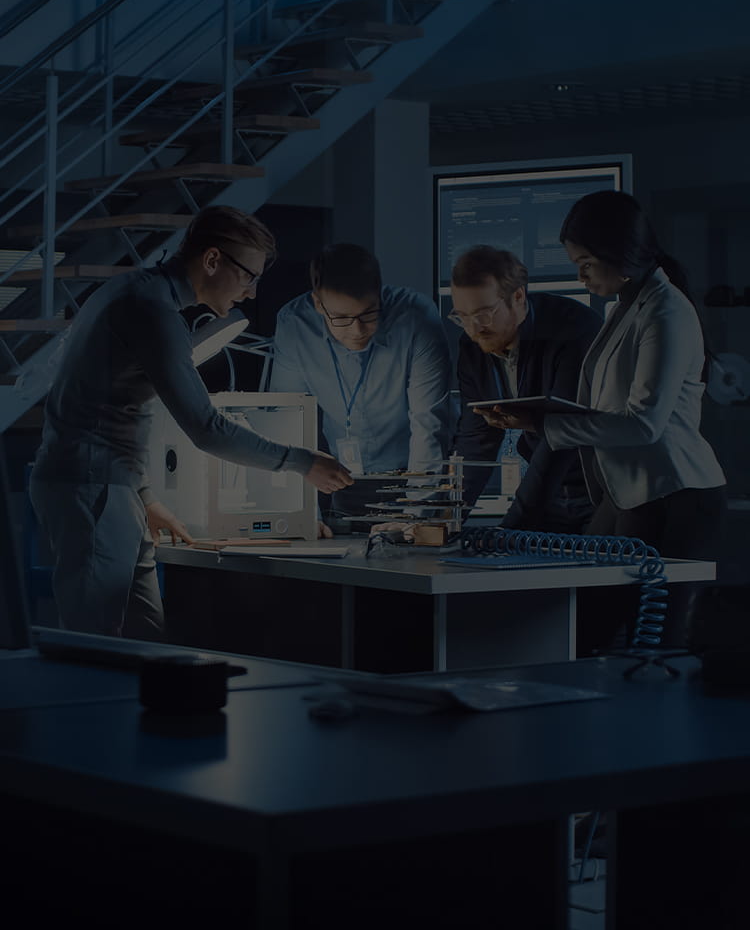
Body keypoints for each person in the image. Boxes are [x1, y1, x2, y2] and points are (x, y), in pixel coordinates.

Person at [29, 206, 353, 639]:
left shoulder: (134, 290)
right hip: (92, 488)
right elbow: (206, 428)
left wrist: (144, 496)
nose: (252, 293)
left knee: (148, 640)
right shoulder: (152, 311)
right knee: (93, 646)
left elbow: (109, 406)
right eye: (248, 277)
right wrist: (302, 462)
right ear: (212, 260)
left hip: (109, 485)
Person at [492, 190, 727, 651]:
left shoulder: (666, 310)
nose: (578, 275)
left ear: (619, 255)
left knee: (658, 641)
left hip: (678, 494)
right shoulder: (624, 306)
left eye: (585, 263)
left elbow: (644, 425)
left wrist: (545, 426)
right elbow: (602, 407)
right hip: (628, 493)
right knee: (587, 628)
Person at [269, 242, 452, 532]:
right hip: (335, 479)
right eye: (341, 318)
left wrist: (416, 513)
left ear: (379, 294)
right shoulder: (294, 323)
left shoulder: (416, 318)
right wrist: (304, 512)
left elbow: (428, 423)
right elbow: (287, 421)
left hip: (412, 475)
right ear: (318, 303)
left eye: (368, 314)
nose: (357, 331)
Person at [450, 245, 602, 532]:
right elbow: (476, 438)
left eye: (484, 314)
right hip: (547, 492)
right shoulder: (473, 343)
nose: (473, 329)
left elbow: (561, 439)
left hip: (598, 491)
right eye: (462, 316)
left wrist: (509, 531)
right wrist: (446, 521)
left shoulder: (575, 330)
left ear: (518, 297)